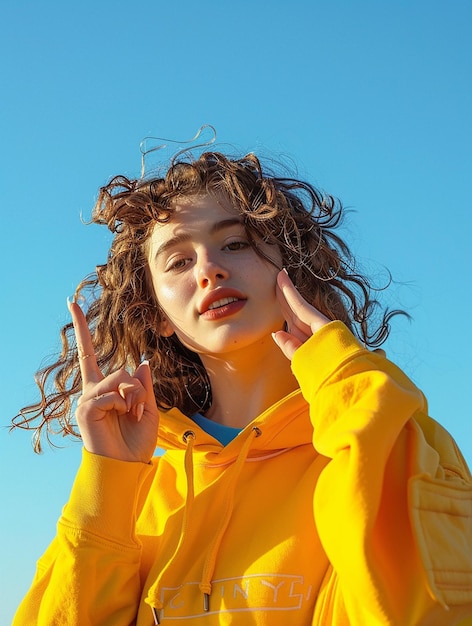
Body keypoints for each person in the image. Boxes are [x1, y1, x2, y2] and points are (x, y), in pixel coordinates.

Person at [12, 149, 472, 625]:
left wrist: (342, 377)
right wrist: (107, 479)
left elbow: (423, 609)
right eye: (177, 261)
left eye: (235, 243)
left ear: (291, 267)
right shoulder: (141, 495)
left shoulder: (376, 439)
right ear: (156, 315)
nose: (209, 269)